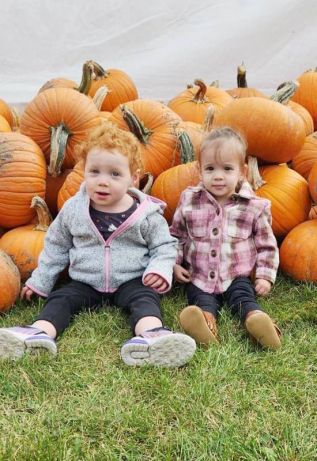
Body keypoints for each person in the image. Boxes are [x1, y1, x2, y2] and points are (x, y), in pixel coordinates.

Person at [0, 121, 196, 367]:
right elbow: (56, 246)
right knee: (61, 300)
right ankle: (38, 333)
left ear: (133, 179)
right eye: (95, 172)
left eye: (115, 174)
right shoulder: (74, 209)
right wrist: (41, 281)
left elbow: (164, 247)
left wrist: (159, 270)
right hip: (85, 280)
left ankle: (152, 336)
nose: (103, 181)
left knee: (145, 300)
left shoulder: (146, 214)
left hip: (131, 279)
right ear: (84, 172)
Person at [170, 127, 281, 350]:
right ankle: (205, 323)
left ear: (242, 171)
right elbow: (177, 235)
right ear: (199, 170)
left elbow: (266, 245)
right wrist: (173, 263)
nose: (218, 176)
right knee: (200, 299)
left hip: (236, 275)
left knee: (243, 298)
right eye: (210, 168)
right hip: (198, 275)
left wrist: (265, 276)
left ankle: (257, 320)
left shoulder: (254, 207)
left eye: (227, 169)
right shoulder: (190, 200)